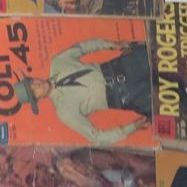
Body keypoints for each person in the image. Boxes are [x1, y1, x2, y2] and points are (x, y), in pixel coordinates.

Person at [11, 39, 152, 145]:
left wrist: (111, 45)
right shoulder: (64, 112)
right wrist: (132, 128)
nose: (36, 85)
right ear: (37, 99)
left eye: (31, 82)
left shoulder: (57, 63)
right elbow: (96, 137)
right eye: (33, 92)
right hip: (131, 96)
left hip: (127, 65)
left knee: (158, 53)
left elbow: (82, 47)